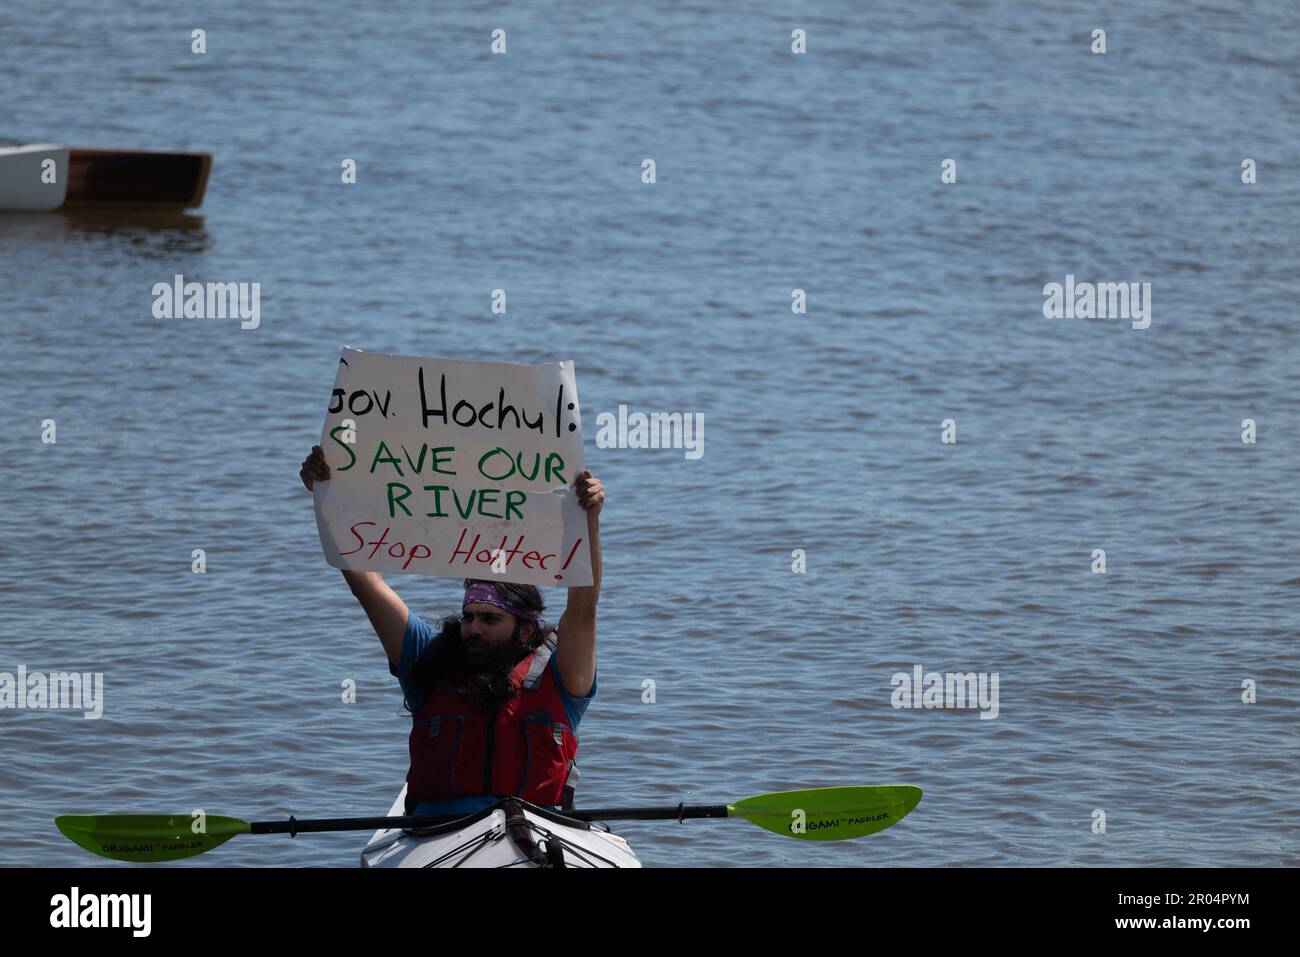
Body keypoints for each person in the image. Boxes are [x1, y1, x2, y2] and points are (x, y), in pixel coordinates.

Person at [299, 444, 604, 817]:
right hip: (437, 831)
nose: (473, 628)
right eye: (469, 616)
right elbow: (368, 585)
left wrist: (588, 518)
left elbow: (583, 608)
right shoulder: (427, 659)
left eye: (490, 620)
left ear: (525, 631)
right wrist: (328, 497)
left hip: (538, 826)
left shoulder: (562, 675)